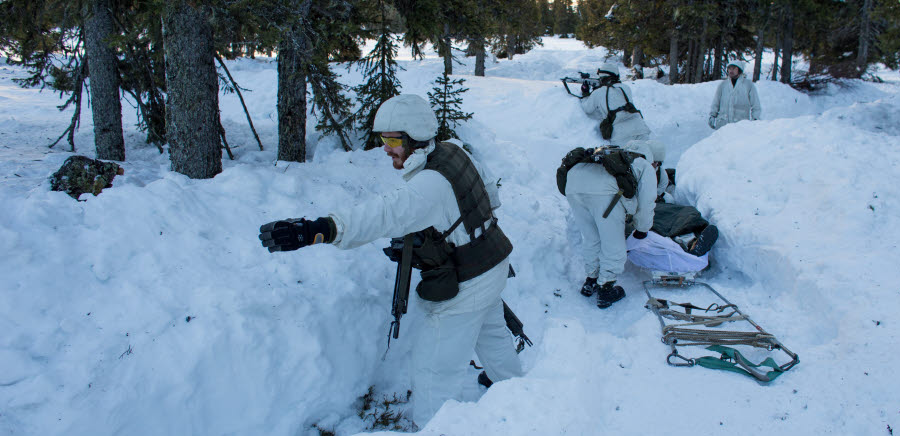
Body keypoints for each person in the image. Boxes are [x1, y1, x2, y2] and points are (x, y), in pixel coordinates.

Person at [258, 94, 523, 427]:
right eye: (383, 138)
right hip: (492, 259)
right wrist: (445, 231)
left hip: (467, 282)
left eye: (393, 139)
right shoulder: (454, 150)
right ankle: (516, 391)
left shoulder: (429, 185)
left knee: (433, 371)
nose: (386, 147)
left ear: (413, 137)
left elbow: (381, 214)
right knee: (493, 335)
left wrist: (320, 229)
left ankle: (432, 427)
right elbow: (489, 196)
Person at [564, 140, 657, 309]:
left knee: (592, 237)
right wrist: (642, 228)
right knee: (613, 243)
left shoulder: (609, 157)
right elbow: (647, 202)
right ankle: (606, 289)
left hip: (573, 184)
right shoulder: (644, 165)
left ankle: (591, 280)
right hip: (604, 193)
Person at [581, 62, 651, 146]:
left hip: (621, 134)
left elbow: (587, 109)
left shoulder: (598, 92)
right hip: (641, 129)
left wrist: (585, 94)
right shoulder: (626, 88)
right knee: (645, 157)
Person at [708, 60, 762, 130]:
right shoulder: (723, 85)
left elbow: (755, 104)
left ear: (739, 70)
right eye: (729, 68)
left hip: (740, 126)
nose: (731, 70)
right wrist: (712, 116)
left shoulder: (748, 85)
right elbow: (716, 102)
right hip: (722, 125)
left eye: (734, 68)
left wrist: (755, 119)